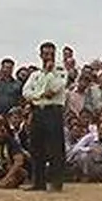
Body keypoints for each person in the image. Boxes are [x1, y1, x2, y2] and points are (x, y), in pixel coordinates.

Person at [21, 41, 68, 192]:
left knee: (55, 148)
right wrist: (40, 96)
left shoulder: (60, 71)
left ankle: (56, 182)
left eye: (51, 54)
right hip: (37, 112)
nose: (48, 57)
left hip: (53, 111)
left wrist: (49, 73)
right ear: (40, 55)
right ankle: (38, 182)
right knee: (36, 147)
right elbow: (25, 92)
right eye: (46, 54)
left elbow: (54, 88)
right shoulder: (35, 74)